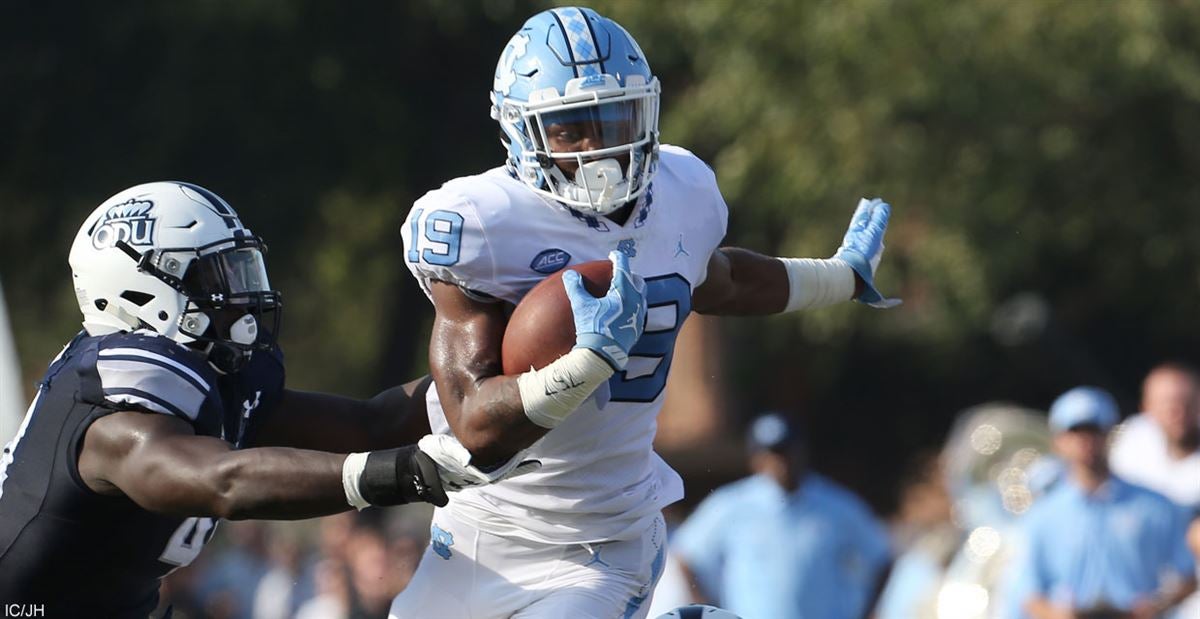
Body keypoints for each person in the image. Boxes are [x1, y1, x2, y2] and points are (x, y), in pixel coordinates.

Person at [390, 6, 899, 618]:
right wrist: (585, 364)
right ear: (520, 133)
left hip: (600, 540)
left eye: (614, 120)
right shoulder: (479, 225)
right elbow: (472, 421)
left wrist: (836, 278)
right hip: (482, 529)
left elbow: (727, 282)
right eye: (570, 130)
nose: (598, 149)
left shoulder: (681, 192)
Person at [0, 182, 519, 617]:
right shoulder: (111, 414)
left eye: (242, 270)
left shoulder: (215, 386)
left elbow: (372, 423)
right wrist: (402, 473)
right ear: (138, 294)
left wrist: (502, 366)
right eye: (215, 277)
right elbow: (225, 482)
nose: (242, 295)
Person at [670, 413, 892, 619]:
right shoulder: (732, 505)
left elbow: (881, 558)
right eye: (772, 453)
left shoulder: (836, 505)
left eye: (786, 451)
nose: (781, 462)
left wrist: (867, 613)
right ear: (755, 458)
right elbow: (686, 554)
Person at [1004, 386, 1197, 619]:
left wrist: (1155, 606)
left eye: (1094, 431)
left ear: (1109, 434)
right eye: (1076, 432)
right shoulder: (1041, 515)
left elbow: (1187, 576)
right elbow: (1027, 592)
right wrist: (1059, 615)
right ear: (1059, 440)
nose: (1086, 441)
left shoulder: (1155, 506)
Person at [1109, 362, 1200, 511]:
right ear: (1146, 407)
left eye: (1185, 402)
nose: (1177, 412)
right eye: (1166, 404)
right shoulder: (1131, 440)